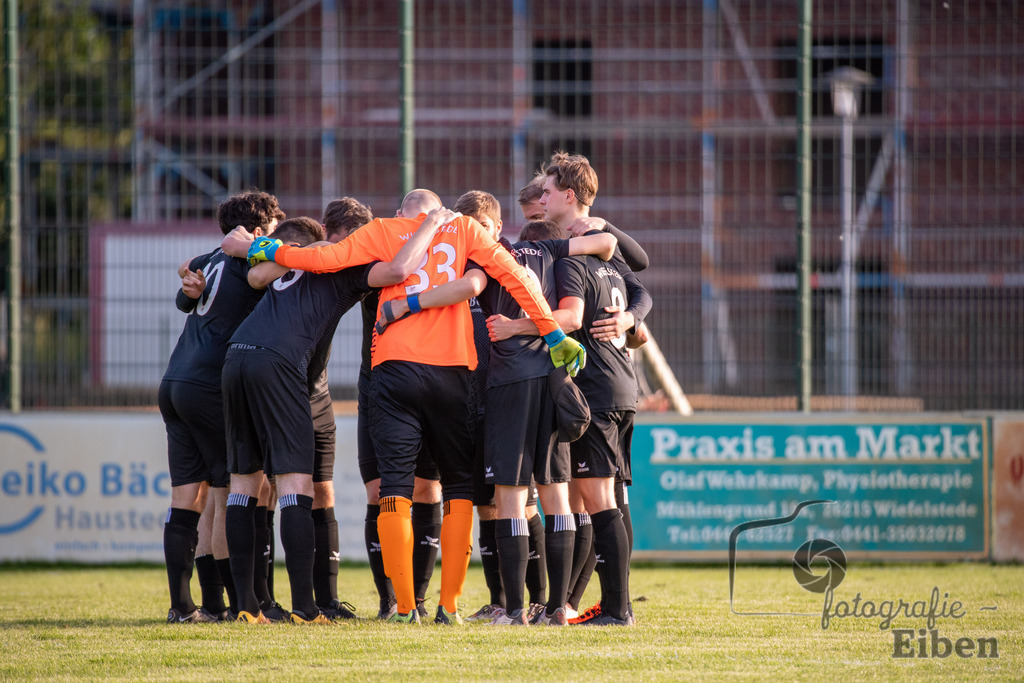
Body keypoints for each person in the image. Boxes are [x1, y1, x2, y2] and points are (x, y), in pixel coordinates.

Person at [240, 188, 585, 624]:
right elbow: (516, 276)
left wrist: (273, 250)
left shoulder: (385, 230)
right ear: (437, 211)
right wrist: (552, 332)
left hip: (394, 369)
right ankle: (449, 605)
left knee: (395, 488)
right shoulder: (464, 228)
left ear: (404, 211)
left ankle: (404, 607)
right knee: (457, 488)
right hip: (453, 371)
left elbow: (326, 259)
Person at [377, 218, 617, 626]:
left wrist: (409, 304)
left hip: (510, 382)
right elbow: (607, 242)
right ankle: (557, 609)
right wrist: (597, 226)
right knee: (555, 495)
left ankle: (515, 610)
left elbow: (470, 287)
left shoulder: (488, 255)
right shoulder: (550, 249)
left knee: (509, 497)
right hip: (553, 379)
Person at [220, 211, 450, 624]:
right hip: (280, 362)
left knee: (243, 484)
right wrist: (429, 226)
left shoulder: (306, 254)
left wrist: (264, 248)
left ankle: (246, 607)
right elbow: (399, 269)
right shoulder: (346, 259)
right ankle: (306, 609)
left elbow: (256, 278)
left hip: (237, 356)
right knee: (296, 485)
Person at [159, 190, 284, 623]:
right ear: (258, 230)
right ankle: (239, 605)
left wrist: (188, 288)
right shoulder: (250, 259)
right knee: (231, 492)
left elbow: (186, 279)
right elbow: (275, 270)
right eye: (273, 229)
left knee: (188, 497)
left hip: (175, 380)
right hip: (211, 384)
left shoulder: (208, 258)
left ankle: (186, 607)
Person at [542, 151, 652, 625]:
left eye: (547, 192)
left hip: (598, 388)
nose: (542, 199)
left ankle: (617, 608)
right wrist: (631, 317)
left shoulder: (577, 254)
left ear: (569, 196)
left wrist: (629, 319)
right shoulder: (604, 255)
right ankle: (611, 605)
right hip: (620, 385)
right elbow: (640, 286)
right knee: (608, 499)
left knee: (599, 500)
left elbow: (640, 289)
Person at [322, 197, 442, 621]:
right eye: (405, 219)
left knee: (427, 490)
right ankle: (390, 600)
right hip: (375, 383)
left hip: (431, 383)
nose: (409, 227)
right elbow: (331, 257)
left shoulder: (447, 253)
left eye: (422, 221)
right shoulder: (378, 249)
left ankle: (419, 599)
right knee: (379, 492)